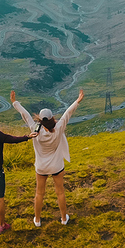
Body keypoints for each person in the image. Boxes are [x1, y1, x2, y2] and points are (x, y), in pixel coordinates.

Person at [10, 89, 84, 227]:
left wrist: (15, 102)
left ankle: (37, 220)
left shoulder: (34, 129)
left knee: (39, 194)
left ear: (40, 119)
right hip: (57, 166)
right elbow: (68, 113)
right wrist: (77, 101)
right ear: (52, 118)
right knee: (60, 192)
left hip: (41, 167)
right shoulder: (59, 127)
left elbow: (25, 114)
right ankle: (63, 219)